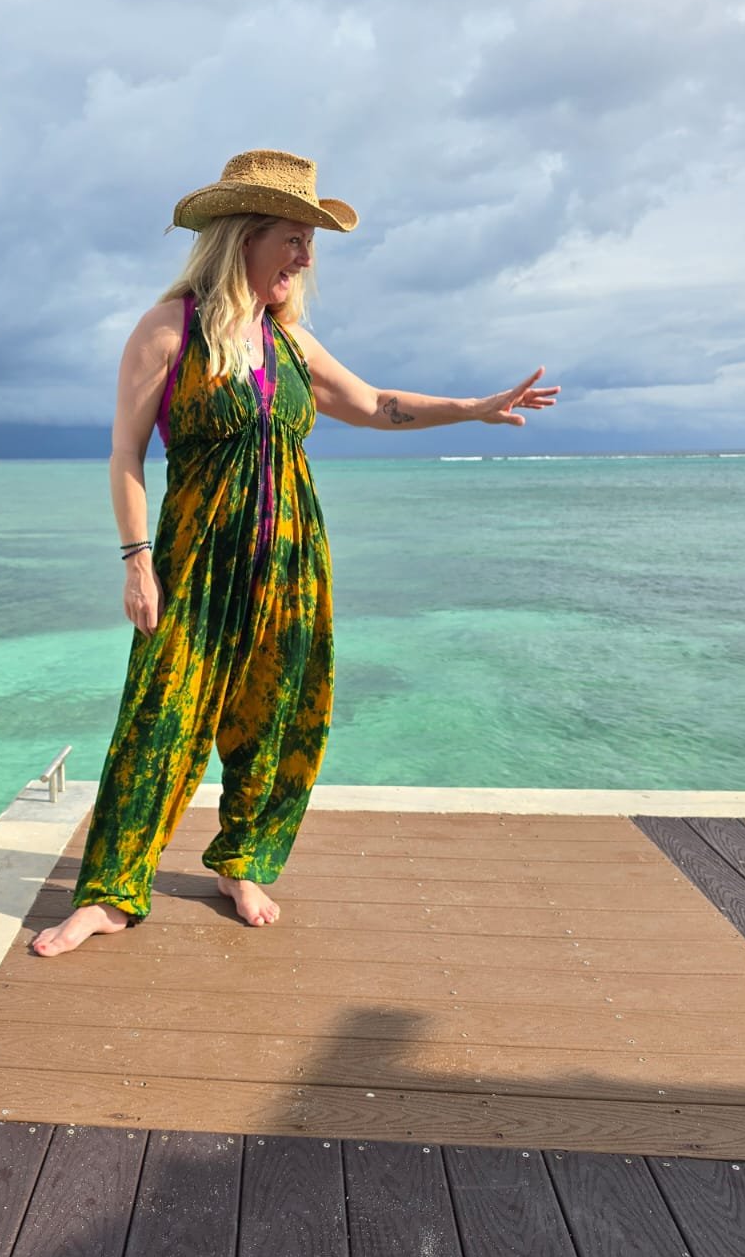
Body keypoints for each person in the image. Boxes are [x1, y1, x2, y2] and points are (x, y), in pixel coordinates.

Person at [33, 149, 558, 957]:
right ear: (242, 236)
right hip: (195, 564)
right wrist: (137, 560)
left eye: (311, 241)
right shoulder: (169, 329)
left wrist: (474, 407)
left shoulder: (290, 342)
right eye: (294, 236)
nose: (307, 256)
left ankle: (241, 863)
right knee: (157, 720)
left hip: (290, 560)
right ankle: (110, 892)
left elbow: (377, 405)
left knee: (276, 718)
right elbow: (126, 456)